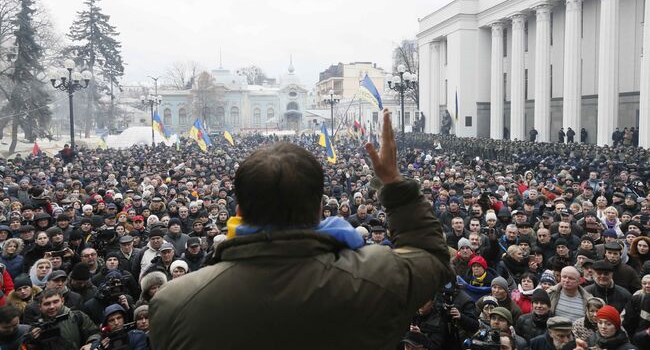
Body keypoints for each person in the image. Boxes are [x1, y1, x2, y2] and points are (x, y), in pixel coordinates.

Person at [150, 109, 454, 349]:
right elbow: (431, 255)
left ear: (238, 212)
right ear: (320, 208)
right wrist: (393, 183)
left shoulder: (174, 303)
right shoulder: (375, 277)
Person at [24, 288, 100, 350]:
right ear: (40, 307)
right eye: (47, 304)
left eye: (55, 302)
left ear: (62, 301)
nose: (52, 307)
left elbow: (95, 333)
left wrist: (91, 344)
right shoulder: (36, 327)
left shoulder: (77, 317)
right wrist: (32, 340)